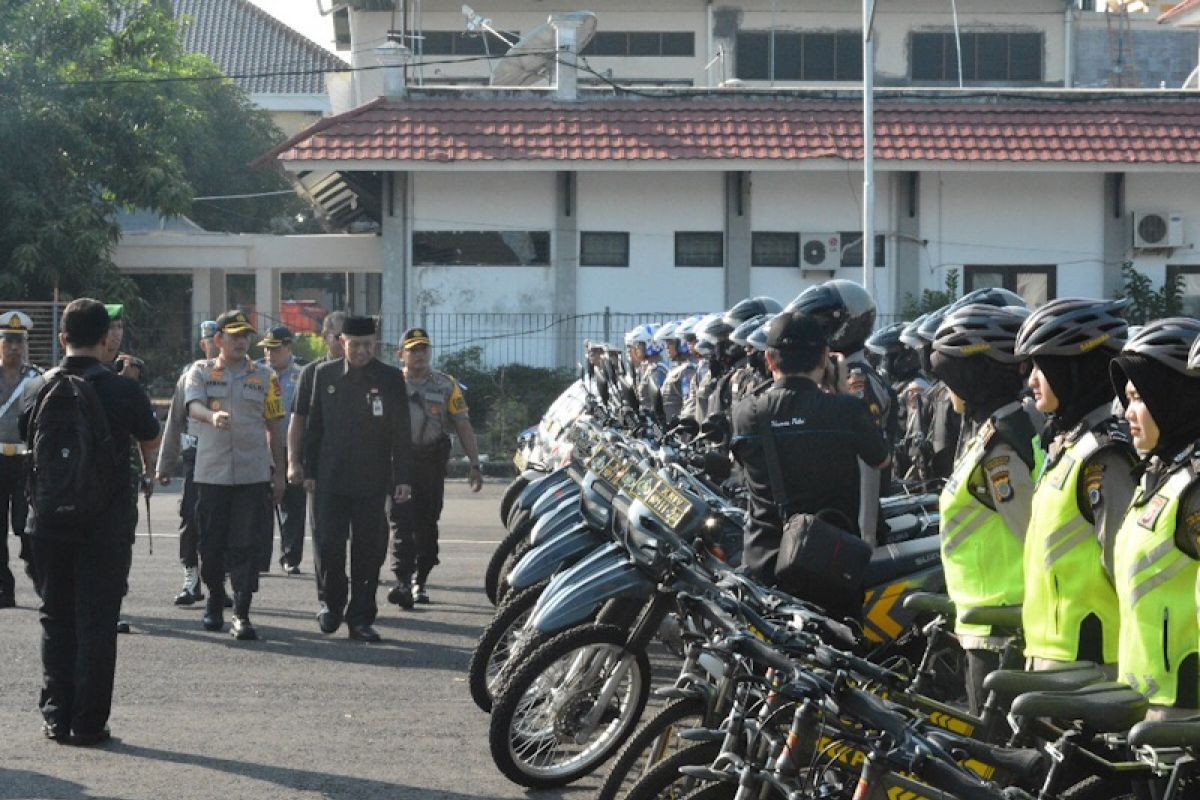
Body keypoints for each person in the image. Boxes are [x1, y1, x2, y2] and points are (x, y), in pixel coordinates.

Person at [23, 298, 159, 745]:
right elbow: (149, 438)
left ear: (62, 338)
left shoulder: (39, 387)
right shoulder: (123, 389)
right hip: (105, 524)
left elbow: (26, 434)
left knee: (55, 617)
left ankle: (55, 716)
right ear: (106, 339)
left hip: (47, 522)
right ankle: (88, 722)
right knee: (98, 622)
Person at [730, 311, 890, 620]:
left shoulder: (746, 413)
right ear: (824, 359)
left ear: (769, 360)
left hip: (766, 563)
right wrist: (840, 392)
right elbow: (881, 459)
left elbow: (740, 468)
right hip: (830, 565)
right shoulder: (846, 410)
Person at [929, 303, 1042, 714]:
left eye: (952, 380)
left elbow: (1036, 538)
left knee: (997, 765)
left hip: (1003, 630)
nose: (946, 391)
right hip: (986, 623)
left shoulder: (1002, 448)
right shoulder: (998, 429)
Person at [1015, 298, 1138, 674]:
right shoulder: (1071, 443)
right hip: (1055, 659)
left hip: (1090, 667)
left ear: (1075, 370)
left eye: (1043, 366)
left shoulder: (1104, 456)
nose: (1032, 379)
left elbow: (1125, 570)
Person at [1109, 318, 1200, 719]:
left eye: (1139, 398)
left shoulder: (1193, 486)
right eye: (1127, 398)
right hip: (1145, 696)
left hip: (1182, 703)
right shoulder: (1160, 474)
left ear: (1171, 397)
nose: (1128, 412)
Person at [304, 317, 412, 641]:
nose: (362, 350)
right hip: (330, 480)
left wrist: (402, 477)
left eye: (368, 344)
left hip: (372, 480)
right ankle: (331, 605)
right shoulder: (324, 375)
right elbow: (314, 427)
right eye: (355, 344)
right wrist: (308, 470)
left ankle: (361, 617)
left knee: (368, 551)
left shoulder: (391, 378)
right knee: (329, 546)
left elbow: (401, 433)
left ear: (375, 343)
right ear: (341, 342)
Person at [185, 310, 286, 641]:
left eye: (246, 336)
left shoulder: (266, 376)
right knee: (211, 546)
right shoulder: (200, 372)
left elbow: (275, 426)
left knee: (246, 545)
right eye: (234, 336)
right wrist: (212, 417)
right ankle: (215, 598)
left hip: (252, 474)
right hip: (211, 474)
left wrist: (281, 472)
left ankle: (242, 613)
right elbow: (193, 406)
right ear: (219, 340)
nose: (242, 341)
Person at [387, 326, 483, 608]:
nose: (419, 355)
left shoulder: (445, 385)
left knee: (427, 523)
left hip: (430, 463)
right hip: (399, 463)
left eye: (423, 349)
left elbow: (463, 424)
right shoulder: (392, 383)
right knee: (401, 522)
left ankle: (421, 579)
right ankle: (403, 581)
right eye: (413, 350)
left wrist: (475, 464)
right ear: (400, 354)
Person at [155, 320, 220, 606]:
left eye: (217, 339)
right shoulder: (191, 375)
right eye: (209, 341)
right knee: (190, 519)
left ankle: (220, 581)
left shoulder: (241, 373)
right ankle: (191, 577)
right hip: (196, 457)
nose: (213, 346)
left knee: (223, 523)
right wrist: (165, 464)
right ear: (203, 344)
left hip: (227, 458)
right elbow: (174, 422)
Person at [256, 325, 306, 574]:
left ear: (288, 347)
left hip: (293, 448)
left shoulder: (304, 374)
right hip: (262, 448)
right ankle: (261, 557)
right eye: (266, 348)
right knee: (262, 504)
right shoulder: (255, 372)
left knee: (294, 506)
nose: (269, 353)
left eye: (275, 349)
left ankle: (291, 557)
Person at [0, 311, 41, 607]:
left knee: (24, 526)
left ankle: (39, 575)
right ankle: (5, 588)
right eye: (9, 340)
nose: (15, 347)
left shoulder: (36, 379)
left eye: (20, 341)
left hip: (26, 460)